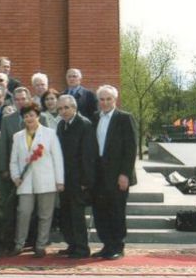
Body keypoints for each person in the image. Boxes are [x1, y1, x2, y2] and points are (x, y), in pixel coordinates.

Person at [10, 103, 64, 258]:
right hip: (24, 181)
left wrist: (59, 180)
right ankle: (19, 243)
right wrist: (15, 176)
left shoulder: (49, 134)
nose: (29, 118)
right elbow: (13, 160)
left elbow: (57, 158)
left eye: (32, 115)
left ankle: (40, 245)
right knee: (23, 212)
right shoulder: (18, 136)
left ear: (38, 116)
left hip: (46, 180)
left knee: (45, 215)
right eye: (26, 116)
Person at [91, 85, 137, 260]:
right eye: (102, 99)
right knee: (100, 212)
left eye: (108, 99)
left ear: (115, 100)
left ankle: (118, 246)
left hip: (118, 175)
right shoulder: (94, 118)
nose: (105, 102)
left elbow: (131, 148)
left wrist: (125, 174)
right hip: (98, 174)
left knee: (116, 211)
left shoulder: (124, 118)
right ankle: (107, 245)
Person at [56, 95, 96, 259]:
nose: (63, 111)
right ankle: (71, 244)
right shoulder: (61, 125)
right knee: (66, 214)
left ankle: (82, 248)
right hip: (64, 178)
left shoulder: (84, 124)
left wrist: (86, 180)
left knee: (77, 215)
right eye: (60, 109)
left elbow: (88, 154)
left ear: (74, 108)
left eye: (66, 108)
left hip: (78, 179)